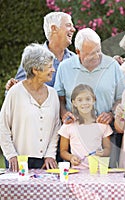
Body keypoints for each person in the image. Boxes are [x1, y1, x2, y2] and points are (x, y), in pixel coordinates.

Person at [54, 28, 125, 167]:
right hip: (76, 136)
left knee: (107, 179)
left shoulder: (112, 65)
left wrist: (111, 113)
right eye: (90, 53)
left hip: (106, 134)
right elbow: (60, 99)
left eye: (98, 50)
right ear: (78, 52)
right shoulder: (65, 67)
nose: (96, 56)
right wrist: (64, 113)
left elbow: (121, 98)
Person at [0, 43, 60, 171]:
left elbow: (56, 127)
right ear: (35, 70)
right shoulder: (15, 92)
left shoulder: (53, 94)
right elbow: (2, 126)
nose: (53, 70)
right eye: (49, 67)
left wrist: (50, 154)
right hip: (19, 162)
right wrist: (11, 155)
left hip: (45, 162)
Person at [5, 12, 76, 90]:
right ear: (54, 28)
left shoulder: (75, 60)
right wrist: (11, 88)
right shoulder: (33, 57)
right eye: (68, 25)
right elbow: (17, 89)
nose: (73, 29)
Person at [59, 84, 113, 169]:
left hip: (98, 172)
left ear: (94, 100)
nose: (84, 103)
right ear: (74, 103)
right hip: (77, 173)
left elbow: (108, 149)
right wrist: (71, 157)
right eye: (80, 100)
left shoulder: (102, 125)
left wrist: (102, 153)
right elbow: (63, 151)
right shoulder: (68, 125)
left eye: (88, 99)